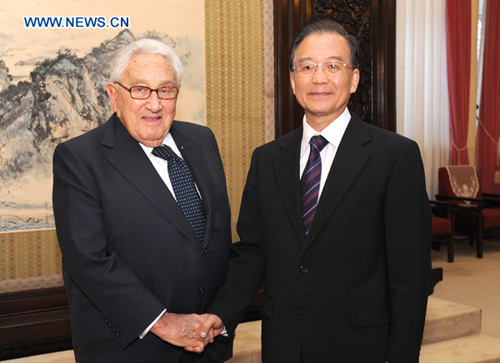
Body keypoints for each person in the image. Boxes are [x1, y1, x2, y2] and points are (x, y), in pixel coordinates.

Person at [201, 18, 432, 362]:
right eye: (307, 67)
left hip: (361, 346)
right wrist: (218, 315)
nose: (319, 77)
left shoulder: (395, 156)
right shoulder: (267, 160)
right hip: (284, 344)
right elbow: (252, 251)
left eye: (332, 66)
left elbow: (410, 275)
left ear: (353, 79)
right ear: (292, 81)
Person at [52, 38, 232, 362]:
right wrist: (164, 323)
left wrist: (221, 314)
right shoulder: (79, 159)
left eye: (165, 90)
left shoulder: (202, 140)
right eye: (140, 90)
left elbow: (214, 239)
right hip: (134, 351)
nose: (154, 104)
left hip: (206, 346)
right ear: (113, 95)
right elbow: (89, 261)